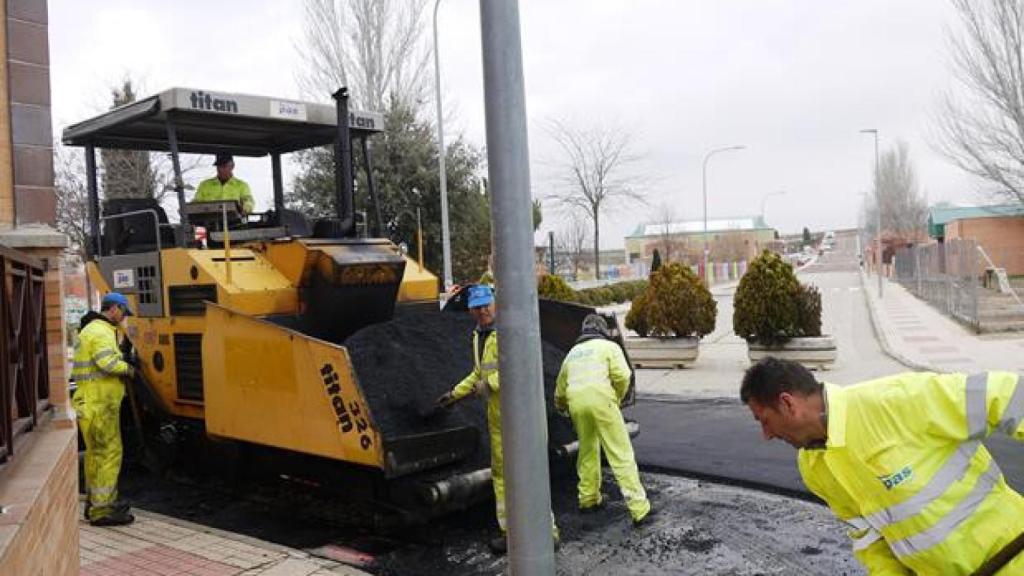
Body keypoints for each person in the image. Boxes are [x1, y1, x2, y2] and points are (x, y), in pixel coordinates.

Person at [741, 357, 1024, 575]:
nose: (766, 435)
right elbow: (869, 539)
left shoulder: (892, 401)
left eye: (764, 420)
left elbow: (1007, 395)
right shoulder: (814, 467)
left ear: (788, 404)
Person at [436, 284, 559, 554]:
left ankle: (547, 532)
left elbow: (520, 366)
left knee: (529, 475)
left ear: (495, 303)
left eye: (486, 305)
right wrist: (454, 395)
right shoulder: (478, 337)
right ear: (470, 310)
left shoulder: (510, 333)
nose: (483, 311)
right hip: (498, 419)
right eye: (477, 307)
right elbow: (478, 374)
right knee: (502, 477)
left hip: (521, 417)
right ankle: (509, 534)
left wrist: (490, 384)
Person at [555, 314, 652, 526]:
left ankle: (588, 499)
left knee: (587, 449)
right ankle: (639, 509)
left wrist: (563, 407)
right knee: (620, 452)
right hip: (602, 401)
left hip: (577, 405)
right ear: (602, 331)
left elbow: (560, 390)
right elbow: (623, 375)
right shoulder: (609, 347)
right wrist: (616, 396)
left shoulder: (572, 354)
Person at [72, 292, 138, 526]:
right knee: (110, 454)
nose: (123, 318)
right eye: (123, 313)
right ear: (115, 309)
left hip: (88, 404)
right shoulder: (100, 332)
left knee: (95, 456)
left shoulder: (88, 330)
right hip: (101, 405)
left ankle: (95, 504)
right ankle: (103, 511)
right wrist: (129, 369)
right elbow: (107, 363)